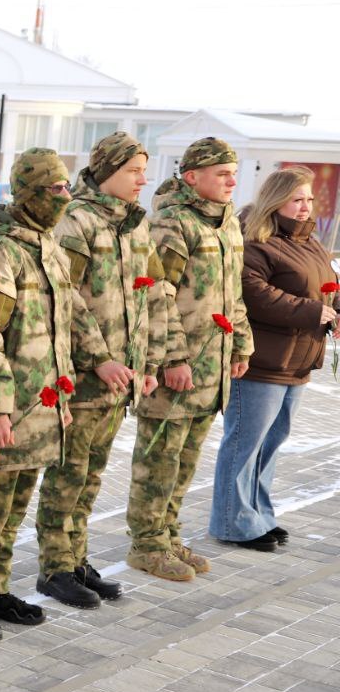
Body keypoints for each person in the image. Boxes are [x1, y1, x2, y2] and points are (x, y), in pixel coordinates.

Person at [0, 148, 110, 643]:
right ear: (30, 194)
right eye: (55, 190)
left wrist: (100, 357)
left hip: (42, 406)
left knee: (16, 503)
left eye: (67, 188)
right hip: (11, 409)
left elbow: (76, 313)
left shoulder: (46, 245)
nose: (65, 198)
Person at [34, 132, 167, 608]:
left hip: (121, 381)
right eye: (133, 170)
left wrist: (148, 363)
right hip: (85, 378)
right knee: (67, 477)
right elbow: (63, 296)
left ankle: (76, 558)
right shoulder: (77, 221)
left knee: (91, 479)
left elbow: (150, 295)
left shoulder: (135, 224)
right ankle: (54, 567)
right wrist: (100, 357)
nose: (142, 180)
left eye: (143, 170)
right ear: (108, 170)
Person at [126, 137, 252, 581]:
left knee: (184, 461)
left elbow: (232, 290)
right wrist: (173, 359)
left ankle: (168, 534)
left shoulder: (228, 224)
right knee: (159, 458)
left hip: (211, 366)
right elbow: (158, 296)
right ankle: (146, 543)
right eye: (221, 173)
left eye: (233, 172)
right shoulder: (172, 224)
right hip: (177, 367)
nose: (231, 180)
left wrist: (240, 344)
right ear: (192, 177)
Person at [209, 166, 339, 550]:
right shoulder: (255, 239)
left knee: (271, 442)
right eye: (296, 199)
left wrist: (334, 311)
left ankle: (258, 516)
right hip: (261, 362)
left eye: (309, 199)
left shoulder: (310, 241)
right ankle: (234, 524)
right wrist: (309, 311)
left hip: (297, 361)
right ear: (276, 199)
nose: (304, 207)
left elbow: (326, 288)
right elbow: (253, 292)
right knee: (244, 444)